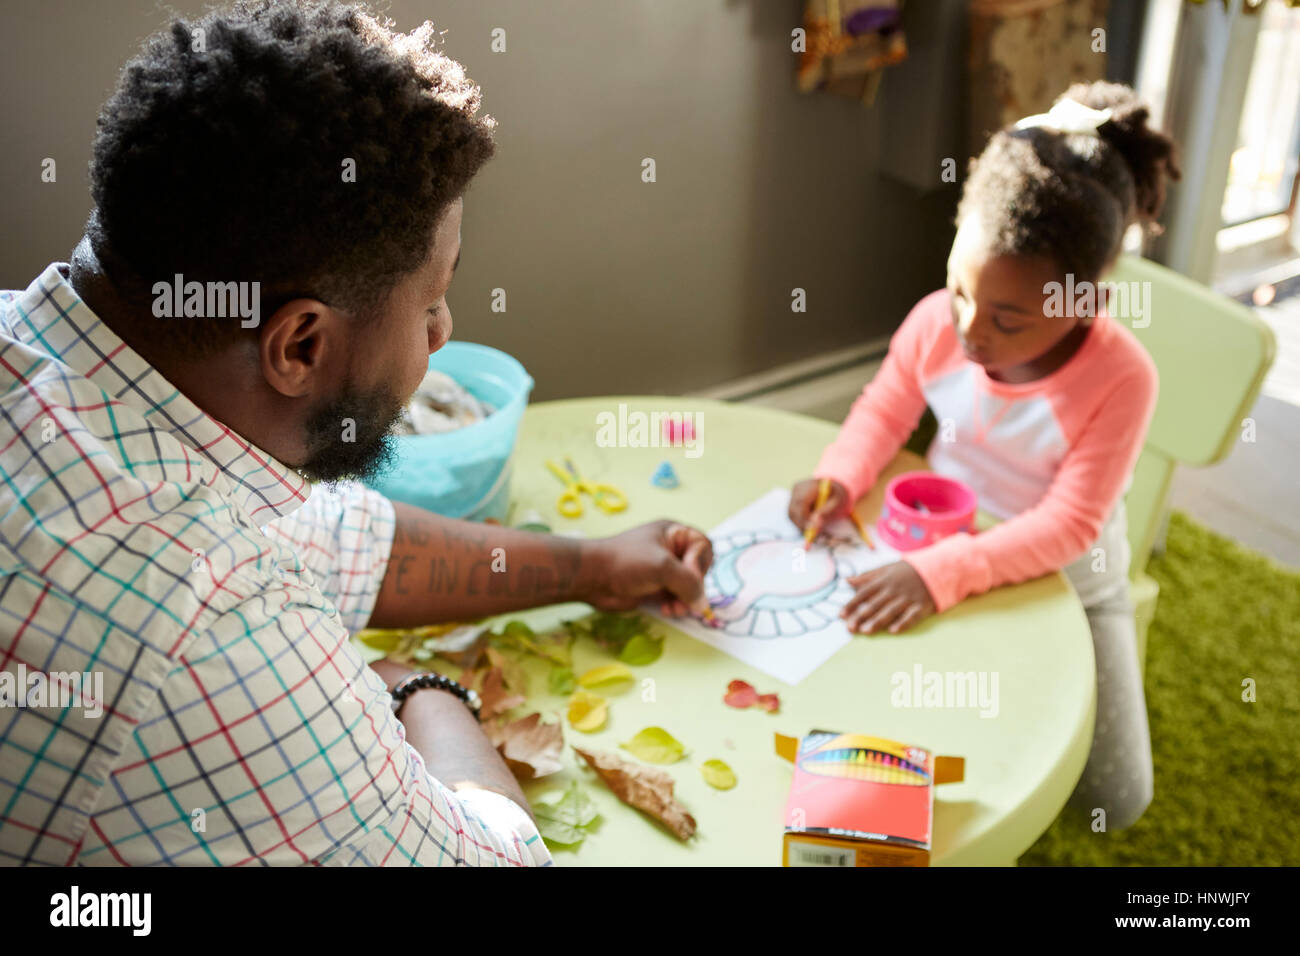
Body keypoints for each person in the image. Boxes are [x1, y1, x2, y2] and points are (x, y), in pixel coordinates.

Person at [0, 0, 712, 866]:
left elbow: (331, 537)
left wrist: (593, 566)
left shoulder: (83, 377)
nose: (444, 331)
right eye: (432, 301)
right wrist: (421, 689)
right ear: (300, 344)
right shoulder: (216, 629)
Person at [789, 82, 1180, 830]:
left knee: (1115, 800)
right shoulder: (939, 323)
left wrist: (945, 575)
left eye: (1007, 317)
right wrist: (841, 472)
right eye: (958, 290)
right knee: (886, 712)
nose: (969, 331)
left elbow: (1069, 525)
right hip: (933, 533)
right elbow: (883, 407)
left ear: (1084, 301)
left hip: (1070, 576)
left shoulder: (1124, 378)